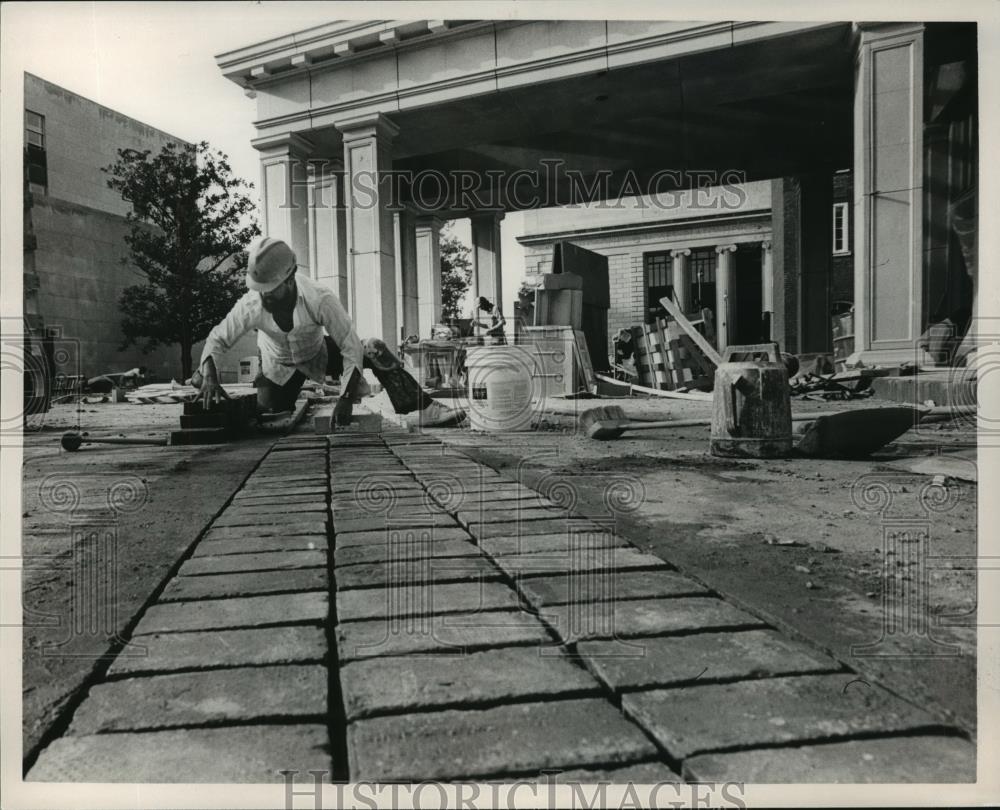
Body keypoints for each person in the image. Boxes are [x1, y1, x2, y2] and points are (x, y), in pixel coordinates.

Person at [195, 237, 465, 428]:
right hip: (279, 366)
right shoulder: (251, 304)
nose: (263, 296)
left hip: (318, 354)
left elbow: (350, 347)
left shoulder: (319, 298)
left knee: (373, 347)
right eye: (259, 289)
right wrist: (209, 376)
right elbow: (218, 338)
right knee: (268, 417)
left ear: (289, 279)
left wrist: (346, 399)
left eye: (271, 289)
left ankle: (424, 408)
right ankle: (205, 381)